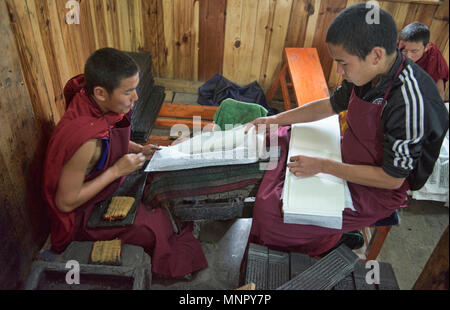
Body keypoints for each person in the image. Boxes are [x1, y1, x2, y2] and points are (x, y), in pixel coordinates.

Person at [244, 4, 449, 257]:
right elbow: (330, 104)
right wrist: (275, 119)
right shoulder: (366, 74)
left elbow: (392, 178)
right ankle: (326, 232)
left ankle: (318, 246)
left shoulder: (408, 101)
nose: (340, 71)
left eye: (343, 63)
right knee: (279, 136)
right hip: (349, 151)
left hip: (376, 188)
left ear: (375, 55)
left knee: (273, 212)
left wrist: (324, 166)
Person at [42, 48, 207, 278]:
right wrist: (116, 171)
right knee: (153, 229)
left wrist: (137, 148)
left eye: (136, 89)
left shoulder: (92, 101)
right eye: (128, 91)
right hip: (80, 215)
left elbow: (111, 135)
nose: (136, 97)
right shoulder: (86, 143)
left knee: (159, 184)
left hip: (98, 187)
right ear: (100, 93)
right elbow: (65, 202)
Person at [398, 22, 449, 101]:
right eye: (404, 51)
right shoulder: (394, 50)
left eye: (414, 51)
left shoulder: (432, 55)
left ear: (426, 47)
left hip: (423, 100)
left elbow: (439, 92)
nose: (408, 56)